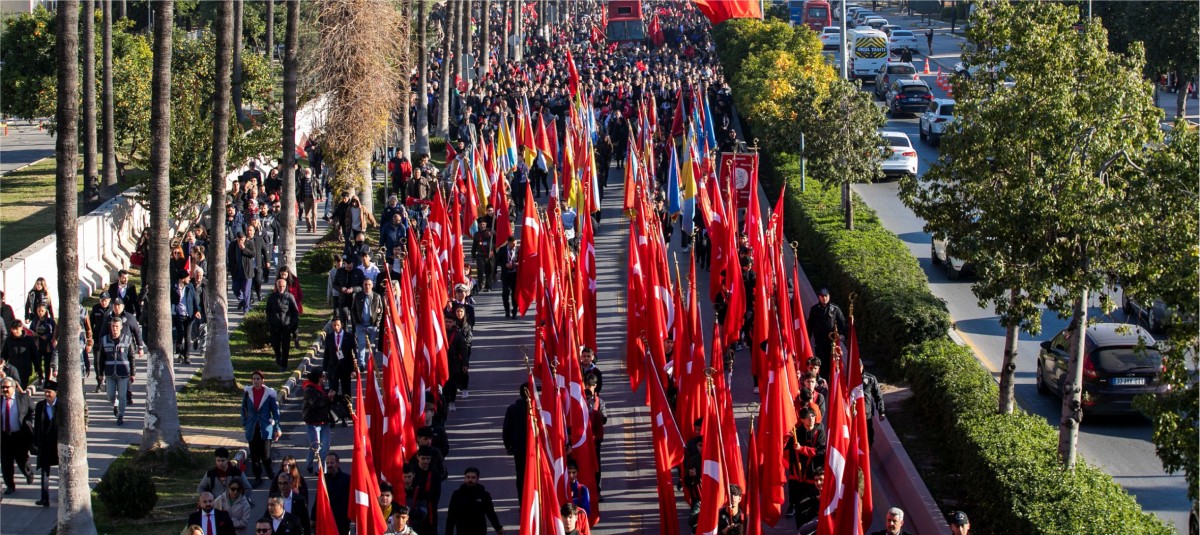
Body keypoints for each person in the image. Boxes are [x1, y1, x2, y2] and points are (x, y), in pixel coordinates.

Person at [241, 371, 282, 487]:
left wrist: (276, 426)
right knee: (254, 456)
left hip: (265, 428)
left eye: (258, 379)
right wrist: (245, 422)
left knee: (265, 455)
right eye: (254, 379)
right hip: (252, 428)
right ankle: (257, 477)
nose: (256, 381)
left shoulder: (269, 394)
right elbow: (243, 408)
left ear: (263, 380)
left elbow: (275, 411)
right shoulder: (248, 393)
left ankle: (269, 471)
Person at [786, 408, 825, 523]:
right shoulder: (796, 432)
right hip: (798, 471)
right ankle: (793, 506)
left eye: (812, 416)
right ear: (802, 420)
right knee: (798, 501)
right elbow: (786, 448)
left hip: (814, 469)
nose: (811, 419)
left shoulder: (820, 431)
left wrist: (802, 449)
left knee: (812, 499)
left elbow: (820, 450)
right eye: (808, 418)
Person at [444, 466, 504, 535]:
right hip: (462, 530)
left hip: (479, 530)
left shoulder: (484, 494)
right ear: (465, 478)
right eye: (468, 477)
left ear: (477, 479)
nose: (470, 480)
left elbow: (490, 513)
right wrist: (448, 532)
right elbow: (451, 515)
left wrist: (498, 528)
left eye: (473, 477)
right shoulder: (457, 494)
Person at [98, 317, 135, 425]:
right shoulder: (105, 340)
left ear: (121, 327)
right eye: (113, 326)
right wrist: (100, 373)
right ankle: (115, 403)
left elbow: (132, 357)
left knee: (123, 395)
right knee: (110, 395)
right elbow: (101, 358)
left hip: (123, 373)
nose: (115, 329)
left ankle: (121, 415)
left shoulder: (127, 340)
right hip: (110, 373)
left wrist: (133, 373)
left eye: (117, 327)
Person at [0, 377, 34, 495]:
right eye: (2, 387)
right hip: (4, 437)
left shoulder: (23, 398)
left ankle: (28, 473)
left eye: (7, 387)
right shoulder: (1, 400)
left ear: (13, 387)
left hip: (19, 436)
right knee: (6, 463)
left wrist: (28, 423)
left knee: (22, 460)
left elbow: (32, 411)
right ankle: (10, 485)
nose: (4, 389)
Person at [806, 288, 846, 383]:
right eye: (822, 296)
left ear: (829, 297)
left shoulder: (834, 309)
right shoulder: (814, 309)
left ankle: (834, 383)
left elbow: (842, 322)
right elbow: (810, 324)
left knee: (832, 362)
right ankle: (823, 382)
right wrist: (807, 336)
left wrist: (841, 334)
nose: (824, 299)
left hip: (832, 342)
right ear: (819, 297)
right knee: (820, 362)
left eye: (826, 296)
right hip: (820, 341)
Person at [300, 370, 333, 474]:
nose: (324, 378)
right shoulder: (308, 390)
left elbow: (325, 402)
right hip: (312, 423)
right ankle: (309, 464)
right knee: (315, 447)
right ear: (318, 378)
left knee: (325, 448)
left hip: (324, 422)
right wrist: (327, 398)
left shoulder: (322, 387)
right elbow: (315, 404)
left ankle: (321, 469)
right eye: (322, 376)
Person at [501, 384, 531, 499]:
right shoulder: (538, 408)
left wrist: (508, 446)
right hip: (534, 448)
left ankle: (523, 502)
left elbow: (506, 429)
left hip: (519, 448)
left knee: (521, 475)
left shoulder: (512, 409)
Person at [32, 380, 58, 506]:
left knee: (64, 470)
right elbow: (37, 425)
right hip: (45, 443)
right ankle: (44, 497)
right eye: (45, 392)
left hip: (58, 443)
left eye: (49, 392)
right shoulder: (40, 406)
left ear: (56, 393)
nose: (47, 394)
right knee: (44, 471)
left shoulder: (62, 405)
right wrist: (36, 442)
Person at [266, 279, 301, 372]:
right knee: (275, 344)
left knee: (286, 346)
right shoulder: (272, 297)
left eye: (283, 286)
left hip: (286, 325)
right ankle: (278, 357)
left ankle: (284, 364)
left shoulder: (289, 297)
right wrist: (270, 322)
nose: (281, 288)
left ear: (286, 287)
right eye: (279, 286)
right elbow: (268, 311)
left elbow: (295, 312)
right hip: (275, 325)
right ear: (277, 286)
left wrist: (291, 324)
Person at [409, 446, 445, 532]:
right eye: (423, 458)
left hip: (429, 510)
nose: (425, 461)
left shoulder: (434, 473)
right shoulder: (412, 471)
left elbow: (436, 495)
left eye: (428, 459)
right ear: (418, 457)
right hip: (412, 507)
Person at [445, 305, 473, 412]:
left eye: (450, 322)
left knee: (452, 384)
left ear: (454, 323)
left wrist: (465, 364)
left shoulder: (458, 335)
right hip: (443, 363)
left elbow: (464, 350)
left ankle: (452, 401)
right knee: (444, 385)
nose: (448, 324)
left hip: (454, 364)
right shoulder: (439, 333)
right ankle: (445, 401)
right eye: (446, 321)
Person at [350, 278, 383, 368]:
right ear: (363, 285)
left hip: (372, 325)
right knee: (361, 344)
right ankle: (361, 364)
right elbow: (353, 310)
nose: (367, 286)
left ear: (372, 285)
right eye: (365, 284)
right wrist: (356, 322)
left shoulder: (377, 296)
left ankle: (371, 364)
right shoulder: (357, 296)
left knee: (372, 346)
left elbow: (381, 311)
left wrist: (376, 324)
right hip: (360, 325)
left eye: (369, 284)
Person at [171, 271, 201, 365]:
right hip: (178, 315)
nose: (189, 279)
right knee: (179, 336)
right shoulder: (173, 287)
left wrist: (197, 310)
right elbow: (173, 301)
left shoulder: (190, 286)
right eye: (187, 277)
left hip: (188, 315)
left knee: (187, 337)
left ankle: (187, 356)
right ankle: (180, 353)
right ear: (182, 279)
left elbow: (194, 299)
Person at [322, 316, 356, 396]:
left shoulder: (349, 337)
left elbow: (353, 354)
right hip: (333, 368)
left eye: (337, 325)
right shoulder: (329, 337)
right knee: (333, 392)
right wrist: (324, 370)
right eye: (334, 325)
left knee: (346, 392)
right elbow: (326, 354)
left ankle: (347, 407)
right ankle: (334, 408)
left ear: (342, 325)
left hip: (345, 368)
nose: (336, 327)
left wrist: (353, 369)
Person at [320, 453, 352, 535]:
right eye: (327, 463)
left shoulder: (347, 479)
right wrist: (313, 517)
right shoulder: (323, 480)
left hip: (342, 519)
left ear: (338, 463)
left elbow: (350, 498)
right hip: (327, 517)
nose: (329, 465)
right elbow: (319, 499)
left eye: (332, 462)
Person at [2, 320, 36, 388]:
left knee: (22, 389)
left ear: (21, 328)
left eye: (16, 329)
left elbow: (34, 355)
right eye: (13, 329)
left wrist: (38, 370)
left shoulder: (29, 339)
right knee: (12, 389)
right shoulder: (8, 340)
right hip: (12, 370)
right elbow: (4, 354)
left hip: (25, 370)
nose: (14, 331)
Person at [277, 266, 305, 347]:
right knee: (284, 325)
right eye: (281, 275)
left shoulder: (294, 280)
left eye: (285, 275)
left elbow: (300, 293)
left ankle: (296, 338)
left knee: (294, 324)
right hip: (283, 307)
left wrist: (297, 303)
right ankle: (285, 341)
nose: (283, 277)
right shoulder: (279, 282)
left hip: (293, 306)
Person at [29, 303, 55, 385]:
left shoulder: (50, 321)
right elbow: (31, 330)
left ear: (45, 311)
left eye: (42, 311)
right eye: (38, 311)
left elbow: (54, 333)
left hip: (48, 345)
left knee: (47, 364)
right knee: (38, 363)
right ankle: (40, 377)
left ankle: (47, 380)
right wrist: (34, 334)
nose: (40, 313)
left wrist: (47, 336)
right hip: (38, 345)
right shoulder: (35, 321)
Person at [471, 220, 496, 292]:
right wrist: (473, 255)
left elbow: (498, 240)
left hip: (490, 255)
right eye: (481, 224)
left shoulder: (491, 232)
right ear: (478, 225)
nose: (482, 226)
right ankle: (481, 285)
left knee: (490, 271)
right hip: (480, 255)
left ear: (486, 224)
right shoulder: (476, 234)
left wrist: (494, 234)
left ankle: (488, 286)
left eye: (484, 224)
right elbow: (474, 245)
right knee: (480, 271)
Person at [498, 237, 519, 318]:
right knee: (505, 293)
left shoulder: (518, 250)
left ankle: (514, 311)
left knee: (514, 294)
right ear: (508, 243)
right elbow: (498, 261)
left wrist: (517, 264)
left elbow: (523, 260)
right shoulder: (502, 250)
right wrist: (505, 265)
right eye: (513, 244)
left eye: (515, 244)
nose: (514, 246)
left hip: (514, 275)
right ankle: (507, 310)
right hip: (506, 275)